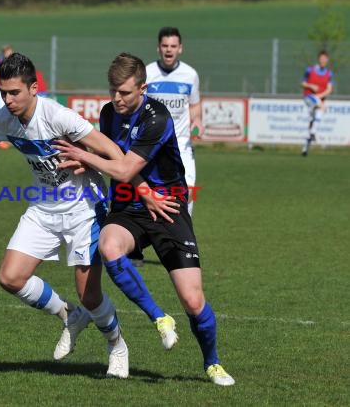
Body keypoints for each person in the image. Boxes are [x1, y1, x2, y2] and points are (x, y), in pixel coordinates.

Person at [0, 52, 145, 378]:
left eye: (14, 92)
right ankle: (68, 314)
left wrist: (87, 161)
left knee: (90, 293)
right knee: (10, 277)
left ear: (34, 88)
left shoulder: (59, 117)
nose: (8, 99)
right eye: (3, 92)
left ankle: (116, 345)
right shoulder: (6, 117)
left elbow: (115, 154)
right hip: (43, 207)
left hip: (83, 208)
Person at [54, 53, 235, 386]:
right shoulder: (110, 114)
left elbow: (123, 168)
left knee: (194, 301)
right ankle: (159, 318)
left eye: (124, 92)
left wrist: (84, 155)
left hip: (168, 207)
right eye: (113, 91)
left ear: (143, 88)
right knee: (109, 247)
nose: (116, 99)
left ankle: (212, 364)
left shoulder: (157, 118)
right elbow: (116, 159)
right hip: (129, 208)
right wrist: (99, 166)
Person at [146, 27, 203, 217]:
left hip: (182, 143)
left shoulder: (190, 75)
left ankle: (185, 234)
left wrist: (197, 120)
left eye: (173, 46)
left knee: (188, 191)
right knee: (152, 192)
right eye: (165, 46)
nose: (168, 50)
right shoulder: (147, 73)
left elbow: (195, 105)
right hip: (153, 145)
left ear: (180, 48)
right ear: (158, 48)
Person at [301, 50, 333, 157]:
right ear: (319, 59)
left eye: (325, 59)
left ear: (327, 60)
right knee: (322, 108)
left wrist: (319, 96)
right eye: (322, 58)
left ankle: (305, 147)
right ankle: (313, 132)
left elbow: (329, 89)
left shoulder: (329, 73)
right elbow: (303, 83)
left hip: (319, 99)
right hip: (309, 97)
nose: (323, 60)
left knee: (313, 120)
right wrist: (311, 86)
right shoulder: (310, 70)